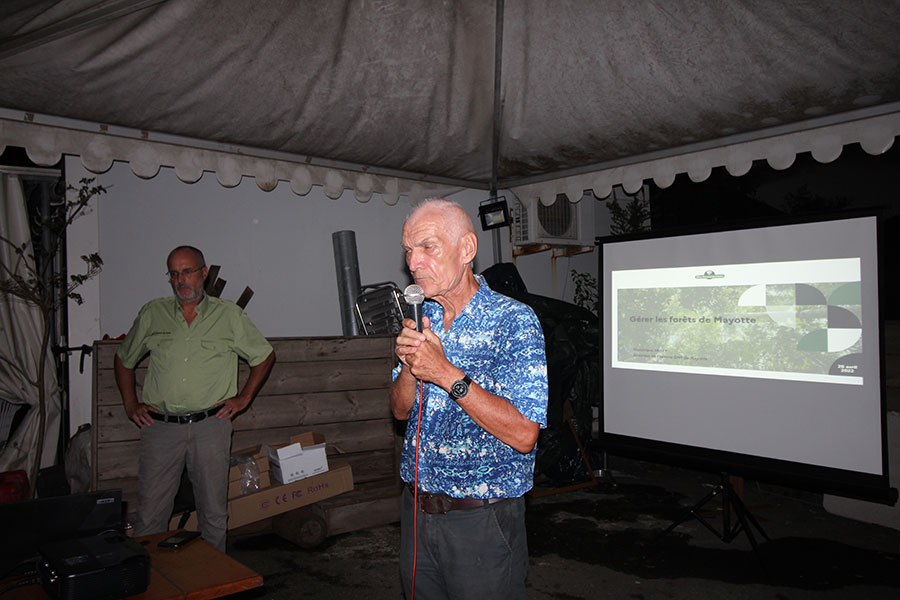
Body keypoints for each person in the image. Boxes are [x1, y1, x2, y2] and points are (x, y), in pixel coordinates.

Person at [390, 199, 548, 599]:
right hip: (416, 514)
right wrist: (411, 364)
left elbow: (524, 433)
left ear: (466, 250)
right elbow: (399, 410)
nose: (414, 261)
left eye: (427, 247)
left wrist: (444, 373)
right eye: (409, 250)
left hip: (482, 520)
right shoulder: (421, 316)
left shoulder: (513, 321)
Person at [114, 245, 274, 551]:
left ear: (203, 273)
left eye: (187, 271)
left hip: (210, 426)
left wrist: (243, 399)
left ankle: (212, 582)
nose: (180, 279)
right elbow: (123, 359)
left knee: (213, 513)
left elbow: (264, 356)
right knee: (150, 516)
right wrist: (130, 404)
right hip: (160, 429)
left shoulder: (228, 316)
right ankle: (153, 585)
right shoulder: (153, 313)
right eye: (174, 273)